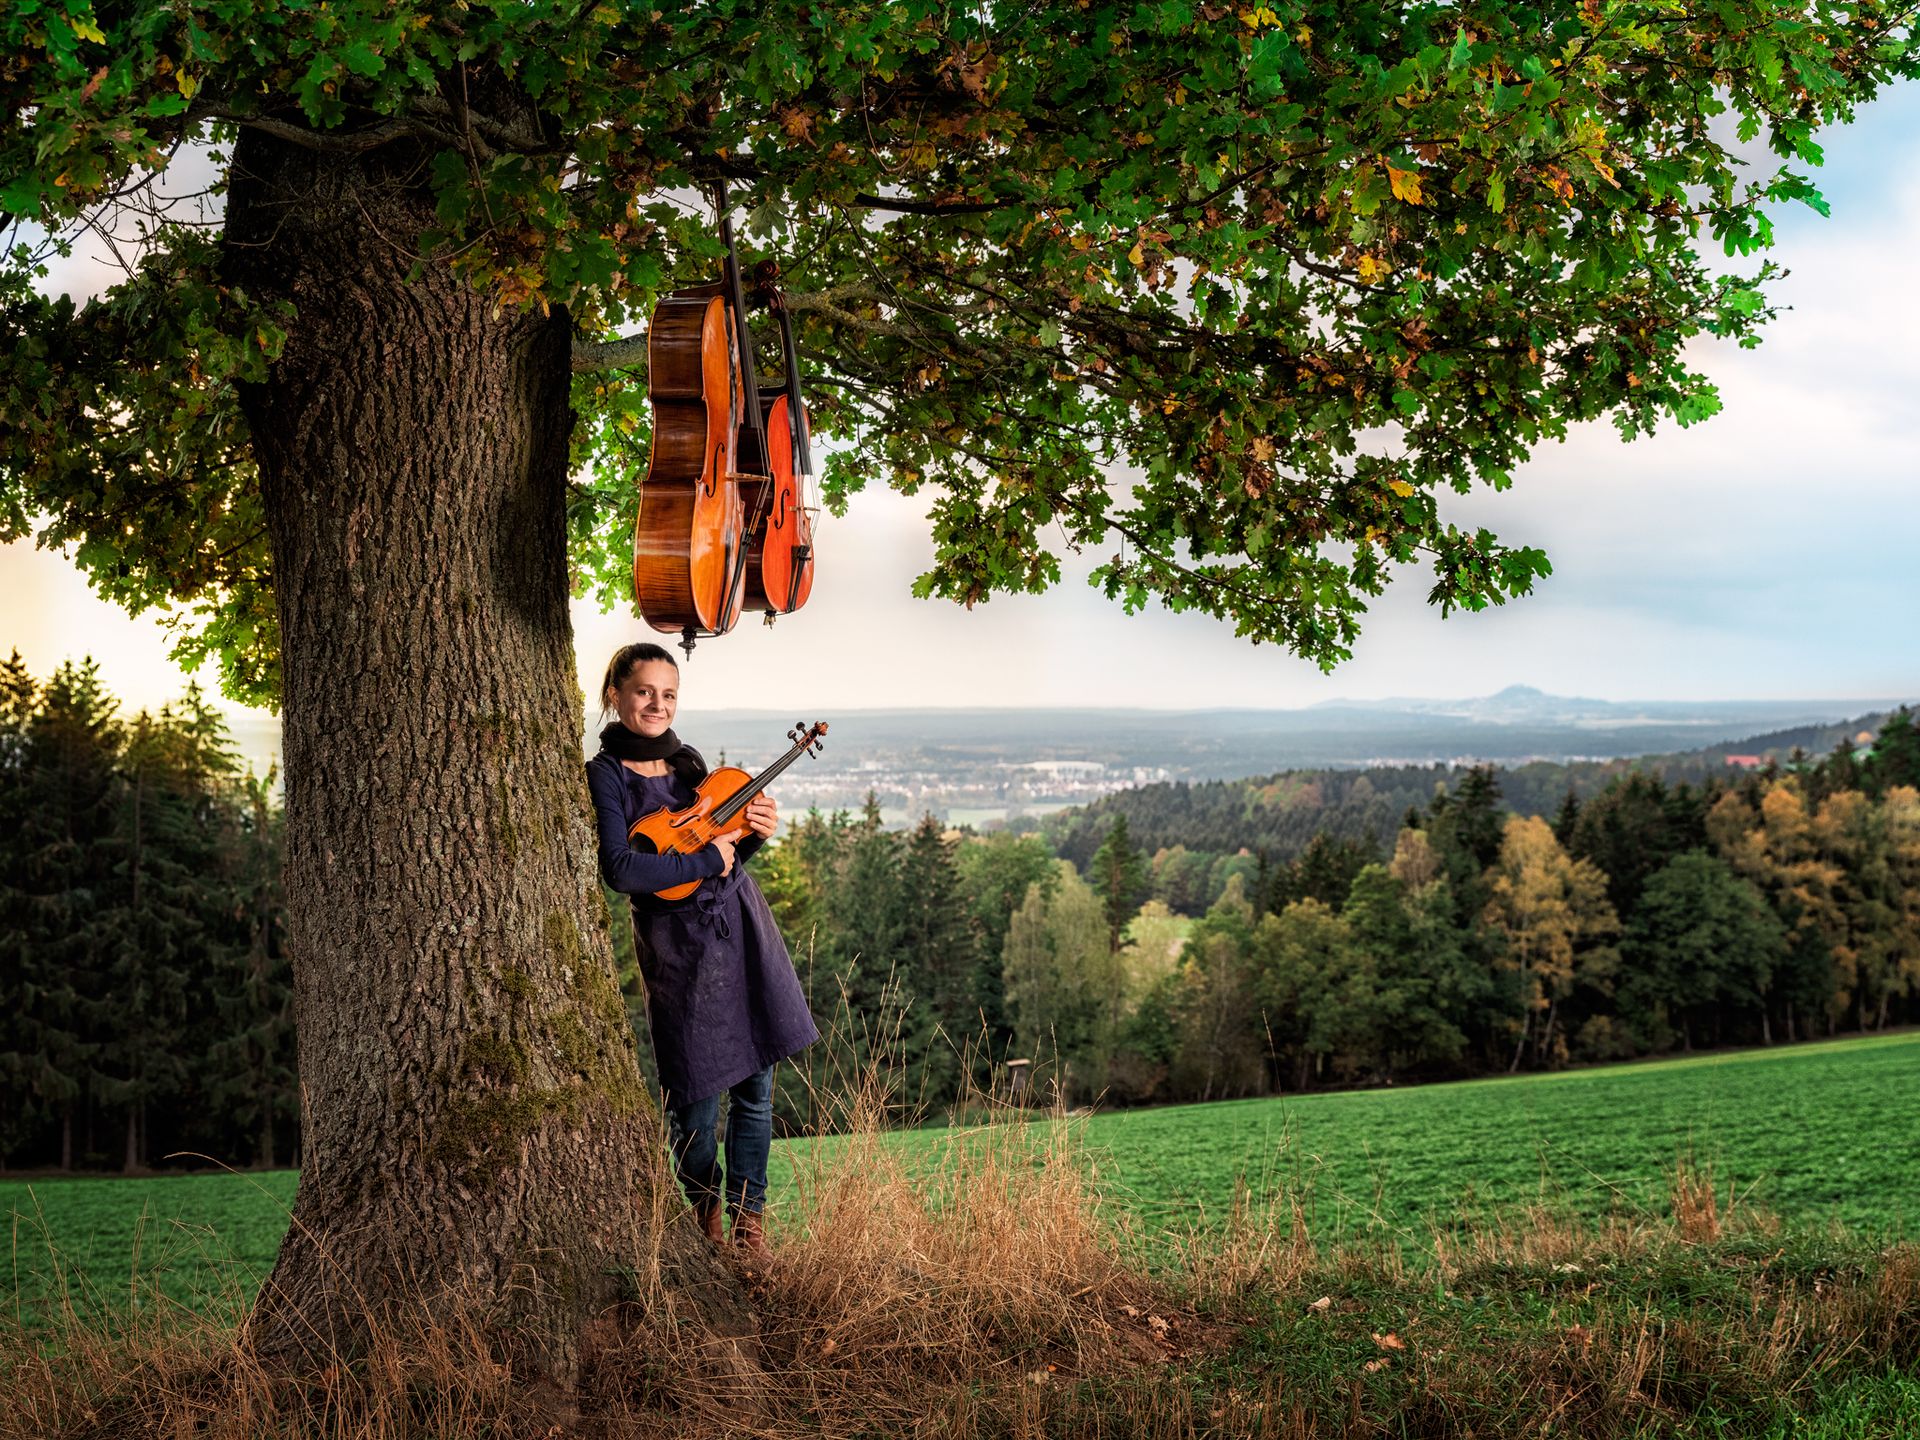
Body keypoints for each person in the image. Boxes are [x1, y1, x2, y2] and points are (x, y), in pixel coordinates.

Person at [584, 641, 819, 1258]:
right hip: (676, 950)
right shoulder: (605, 774)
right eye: (644, 692)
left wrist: (755, 835)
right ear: (615, 695)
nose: (657, 705)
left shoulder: (688, 764)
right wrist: (705, 859)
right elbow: (622, 869)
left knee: (756, 1089)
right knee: (693, 1099)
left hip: (738, 928)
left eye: (668, 694)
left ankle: (749, 1227)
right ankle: (705, 1213)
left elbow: (725, 853)